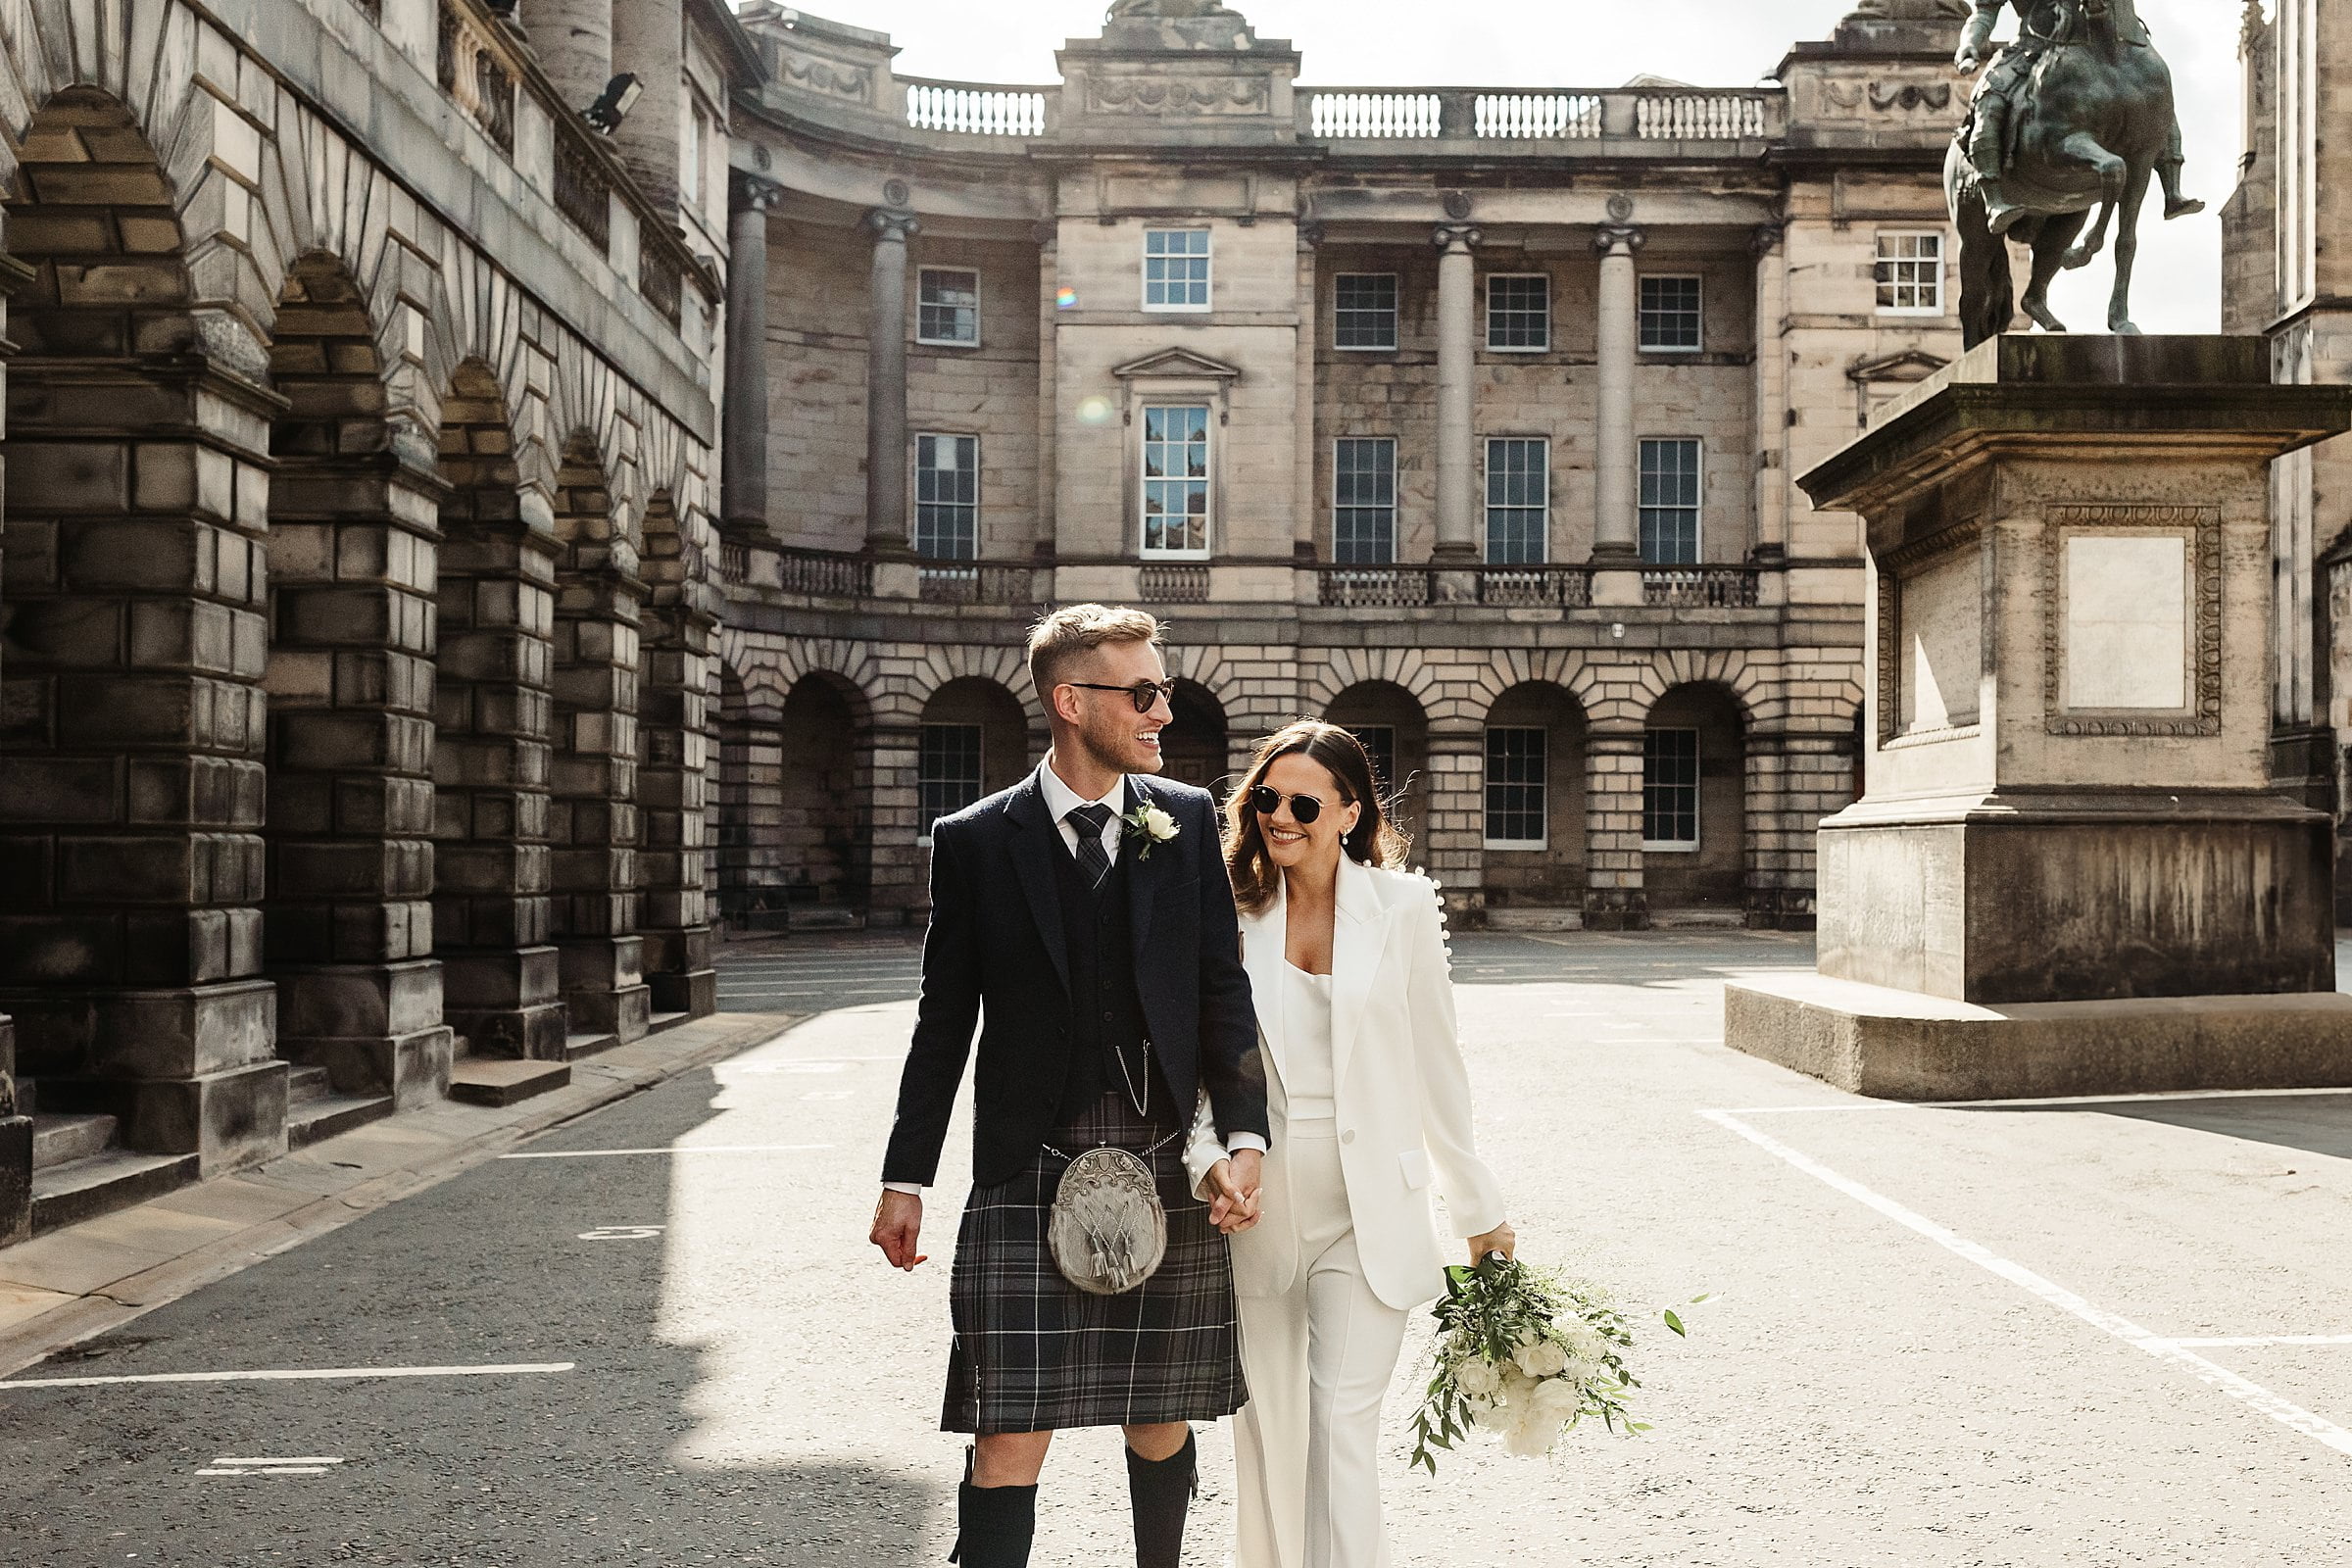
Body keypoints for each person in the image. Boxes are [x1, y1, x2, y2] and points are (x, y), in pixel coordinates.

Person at [870, 603, 1270, 1568]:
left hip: (1162, 1149)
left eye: (1161, 691)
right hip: (1025, 1160)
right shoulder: (976, 840)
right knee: (1009, 1432)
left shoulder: (1182, 821)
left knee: (1160, 1416)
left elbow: (1224, 990)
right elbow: (942, 1021)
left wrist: (1246, 1136)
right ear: (1069, 701)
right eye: (1141, 693)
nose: (1161, 712)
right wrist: (905, 1176)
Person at [1185, 720, 1513, 1568]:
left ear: (1350, 812)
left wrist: (1479, 1209)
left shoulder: (1403, 907)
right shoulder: (1228, 908)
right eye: (1266, 798)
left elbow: (1439, 1065)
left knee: (1338, 1428)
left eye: (1302, 802)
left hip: (1373, 1207)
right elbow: (1195, 1060)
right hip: (1257, 1205)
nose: (1278, 817)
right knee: (1270, 1431)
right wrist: (1205, 1160)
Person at [1956, 0, 2200, 235]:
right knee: (1988, 101)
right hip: (2028, 49)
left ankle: (2172, 190)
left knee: (2153, 94)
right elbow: (1983, 14)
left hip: (2093, 43)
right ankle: (1994, 198)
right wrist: (1969, 43)